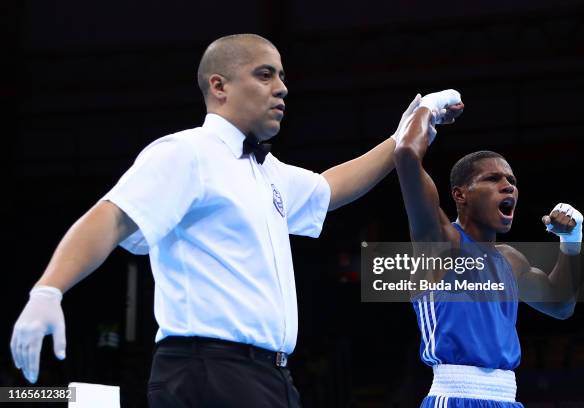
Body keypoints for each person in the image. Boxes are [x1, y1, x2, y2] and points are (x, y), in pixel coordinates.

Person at [9, 33, 449, 407]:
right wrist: (49, 289)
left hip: (271, 376)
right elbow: (110, 218)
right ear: (219, 86)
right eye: (264, 74)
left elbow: (330, 189)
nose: (281, 88)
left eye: (281, 76)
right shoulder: (186, 153)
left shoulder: (267, 171)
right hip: (207, 371)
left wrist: (405, 133)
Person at [393, 90, 583, 407]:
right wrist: (430, 106)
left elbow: (561, 305)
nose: (508, 185)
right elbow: (405, 155)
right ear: (460, 194)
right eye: (493, 179)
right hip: (455, 396)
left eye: (511, 180)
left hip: (508, 399)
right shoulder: (439, 241)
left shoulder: (510, 260)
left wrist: (572, 240)